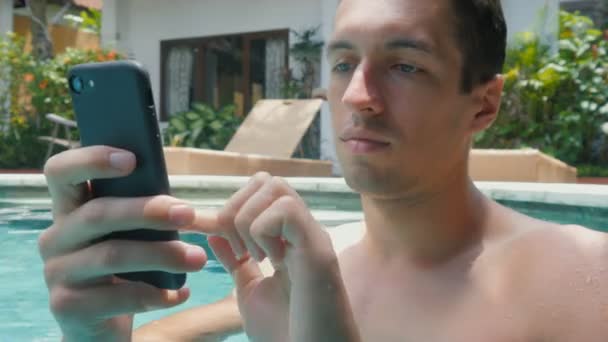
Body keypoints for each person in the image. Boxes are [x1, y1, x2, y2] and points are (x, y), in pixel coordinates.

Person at [39, 0, 608, 340]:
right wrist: (92, 336)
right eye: (343, 64)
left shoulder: (585, 279)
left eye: (405, 66)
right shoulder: (296, 272)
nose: (359, 95)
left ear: (483, 104)